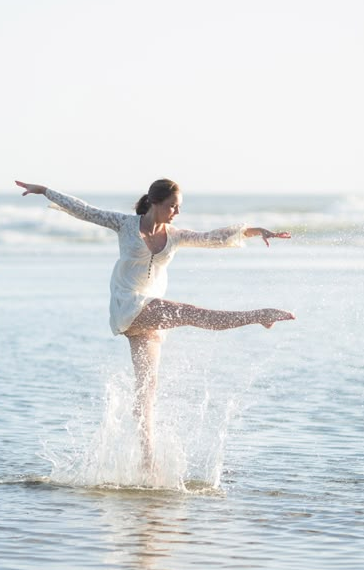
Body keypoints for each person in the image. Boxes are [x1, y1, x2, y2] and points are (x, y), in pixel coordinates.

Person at [15, 178, 295, 475]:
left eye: (179, 207)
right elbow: (85, 210)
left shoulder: (174, 235)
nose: (176, 212)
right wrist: (45, 191)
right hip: (129, 305)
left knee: (147, 390)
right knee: (191, 313)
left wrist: (255, 231)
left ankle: (148, 461)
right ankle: (259, 315)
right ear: (154, 202)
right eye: (172, 206)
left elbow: (213, 237)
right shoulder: (124, 224)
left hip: (150, 314)